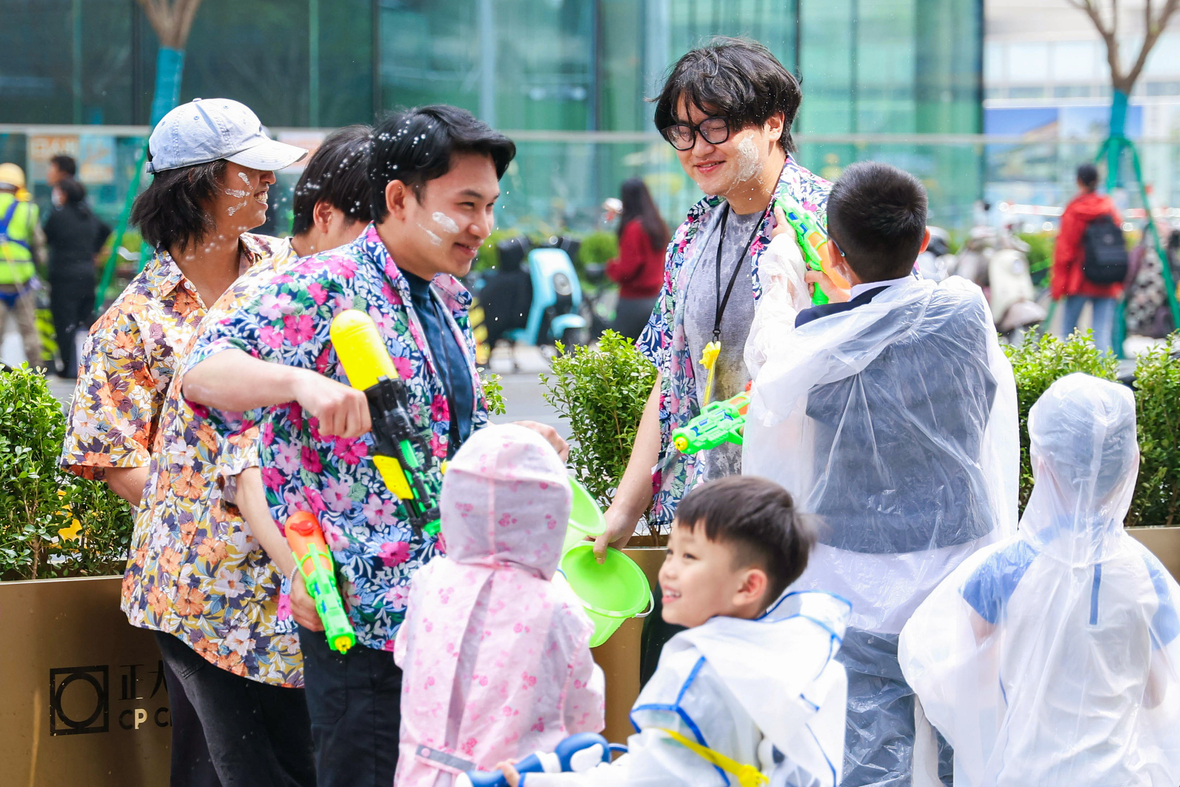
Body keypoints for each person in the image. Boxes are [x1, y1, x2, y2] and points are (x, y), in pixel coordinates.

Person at [180, 105, 567, 787]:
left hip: (444, 613)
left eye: (490, 206)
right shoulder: (325, 282)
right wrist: (299, 382)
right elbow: (204, 374)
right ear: (398, 199)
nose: (483, 226)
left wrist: (506, 442)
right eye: (465, 204)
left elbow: (432, 437)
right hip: (362, 623)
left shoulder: (442, 296)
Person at [742, 162, 1019, 787]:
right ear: (922, 243)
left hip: (854, 577)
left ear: (833, 253)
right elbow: (893, 320)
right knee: (959, 744)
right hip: (960, 567)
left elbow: (770, 360)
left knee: (868, 755)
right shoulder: (963, 312)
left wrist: (781, 266)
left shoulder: (818, 343)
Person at [60, 97, 308, 787]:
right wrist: (231, 513)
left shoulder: (287, 268)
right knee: (222, 768)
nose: (269, 182)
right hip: (198, 590)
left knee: (306, 757)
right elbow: (117, 460)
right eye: (249, 170)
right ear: (197, 185)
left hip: (299, 561)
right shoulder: (131, 322)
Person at [120, 125, 373, 787]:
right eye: (248, 170)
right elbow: (238, 467)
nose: (267, 184)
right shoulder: (263, 303)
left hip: (283, 577)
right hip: (214, 588)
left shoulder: (306, 274)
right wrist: (218, 518)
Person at [599, 37, 832, 559]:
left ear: (774, 123)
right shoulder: (694, 231)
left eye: (716, 126)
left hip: (809, 516)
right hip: (712, 514)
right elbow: (672, 378)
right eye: (683, 132)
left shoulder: (828, 220)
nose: (697, 148)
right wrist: (625, 509)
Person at [900, 373, 1180, 787]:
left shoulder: (1005, 568)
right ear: (1132, 465)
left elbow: (966, 685)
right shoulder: (1148, 574)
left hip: (1027, 774)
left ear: (1042, 464)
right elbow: (1156, 695)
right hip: (1121, 777)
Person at [495, 475, 850, 787]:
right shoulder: (789, 655)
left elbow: (649, 778)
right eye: (670, 553)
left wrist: (538, 782)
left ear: (748, 586)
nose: (669, 571)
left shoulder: (697, 675)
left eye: (689, 557)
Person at [394, 424, 605, 786]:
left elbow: (405, 655)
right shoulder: (558, 604)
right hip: (509, 776)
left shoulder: (428, 582)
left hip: (422, 773)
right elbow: (583, 708)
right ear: (551, 514)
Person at [1052, 163, 1124, 354]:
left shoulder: (1075, 209)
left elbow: (1065, 250)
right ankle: (1104, 371)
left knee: (1069, 332)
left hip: (1080, 279)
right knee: (1101, 333)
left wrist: (1059, 285)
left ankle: (1071, 371)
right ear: (1097, 180)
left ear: (1078, 181)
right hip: (1107, 278)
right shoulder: (1109, 208)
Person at [43, 177, 110, 377]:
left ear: (64, 194)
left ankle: (67, 367)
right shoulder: (88, 215)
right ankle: (92, 362)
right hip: (86, 276)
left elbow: (45, 238)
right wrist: (94, 250)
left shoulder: (57, 216)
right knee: (86, 320)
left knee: (64, 323)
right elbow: (106, 230)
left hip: (63, 277)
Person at [605, 178, 668, 340]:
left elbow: (628, 268)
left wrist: (611, 267)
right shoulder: (656, 225)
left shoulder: (634, 228)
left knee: (621, 350)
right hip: (655, 300)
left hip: (633, 302)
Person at [0, 162, 46, 370]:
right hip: (22, 281)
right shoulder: (28, 210)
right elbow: (39, 245)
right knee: (29, 332)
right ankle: (37, 372)